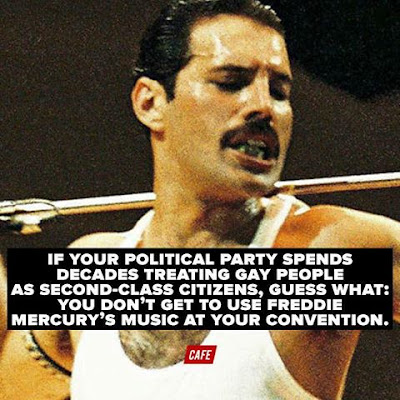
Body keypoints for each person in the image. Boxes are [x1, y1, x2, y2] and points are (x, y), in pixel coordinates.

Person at [0, 1, 399, 399]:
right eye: (230, 82)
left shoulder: (322, 252)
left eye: (279, 91)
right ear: (150, 103)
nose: (264, 106)